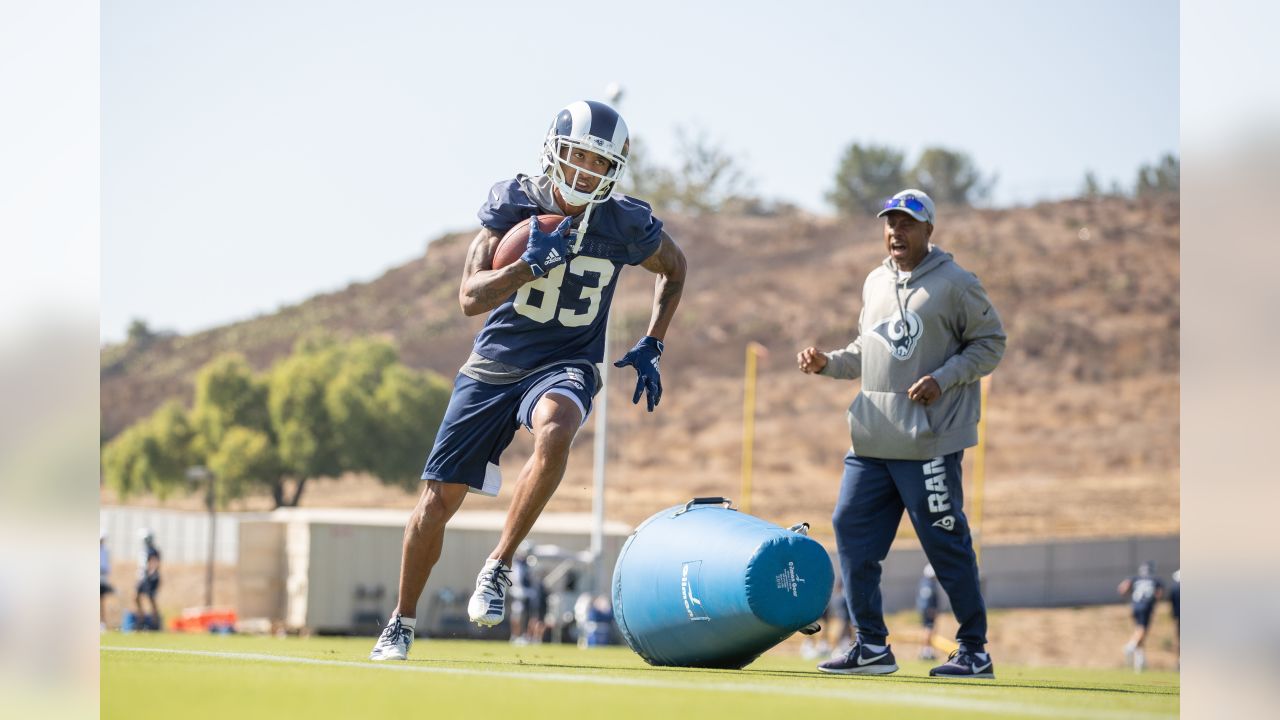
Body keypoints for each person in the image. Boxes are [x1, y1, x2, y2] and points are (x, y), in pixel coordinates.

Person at [370, 100, 687, 661]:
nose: (587, 172)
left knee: (558, 426)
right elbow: (470, 298)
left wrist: (654, 339)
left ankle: (500, 563)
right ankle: (401, 620)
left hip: (565, 361)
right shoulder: (514, 203)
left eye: (599, 163)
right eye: (579, 157)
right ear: (554, 152)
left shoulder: (625, 222)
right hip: (494, 363)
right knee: (436, 502)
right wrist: (525, 267)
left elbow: (675, 266)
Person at [797, 189, 1005, 679]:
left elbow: (991, 343)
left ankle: (974, 649)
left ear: (929, 230)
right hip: (871, 439)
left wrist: (945, 377)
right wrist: (829, 363)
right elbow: (865, 352)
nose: (896, 231)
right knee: (849, 527)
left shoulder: (956, 283)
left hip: (928, 442)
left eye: (907, 223)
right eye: (890, 222)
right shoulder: (874, 282)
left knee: (945, 544)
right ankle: (871, 645)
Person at [1118, 560, 1164, 672]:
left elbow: (1122, 588)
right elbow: (1159, 594)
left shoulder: (1135, 578)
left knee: (1139, 631)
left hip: (1135, 606)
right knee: (1142, 630)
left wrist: (1127, 595)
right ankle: (1130, 647)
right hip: (1146, 606)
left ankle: (1140, 661)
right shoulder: (1156, 580)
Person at [134, 528, 161, 630]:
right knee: (136, 597)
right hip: (143, 577)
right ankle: (141, 619)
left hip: (150, 578)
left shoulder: (153, 550)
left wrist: (151, 573)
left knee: (151, 599)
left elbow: (155, 563)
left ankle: (155, 622)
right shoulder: (143, 550)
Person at [917, 564, 941, 660]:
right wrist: (931, 609)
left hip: (925, 609)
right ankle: (926, 651)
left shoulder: (924, 582)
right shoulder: (929, 584)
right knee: (929, 630)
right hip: (928, 610)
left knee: (928, 629)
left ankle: (927, 651)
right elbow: (927, 599)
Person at [100, 529, 114, 632]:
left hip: (102, 579)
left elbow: (107, 566)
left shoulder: (105, 551)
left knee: (101, 601)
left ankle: (102, 623)